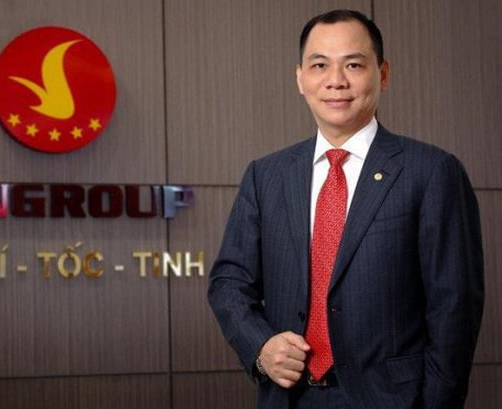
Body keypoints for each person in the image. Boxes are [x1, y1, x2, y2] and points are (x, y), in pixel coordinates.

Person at [207, 9, 484, 409]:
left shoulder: (432, 172)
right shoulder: (265, 175)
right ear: (300, 78)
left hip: (393, 400)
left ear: (383, 74)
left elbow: (455, 306)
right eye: (319, 65)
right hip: (288, 397)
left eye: (353, 65)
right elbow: (229, 281)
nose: (335, 80)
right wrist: (261, 346)